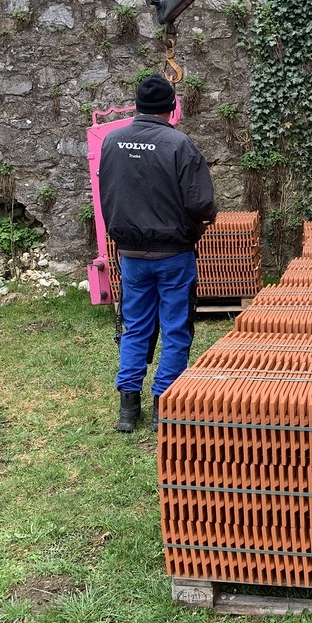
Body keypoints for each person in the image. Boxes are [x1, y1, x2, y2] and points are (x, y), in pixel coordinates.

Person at [98, 74, 217, 433]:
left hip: (131, 254)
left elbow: (107, 194)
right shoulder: (179, 144)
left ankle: (127, 409)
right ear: (171, 107)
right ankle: (163, 407)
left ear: (136, 105)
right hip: (174, 255)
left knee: (135, 327)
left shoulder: (111, 141)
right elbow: (200, 202)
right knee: (176, 328)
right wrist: (205, 218)